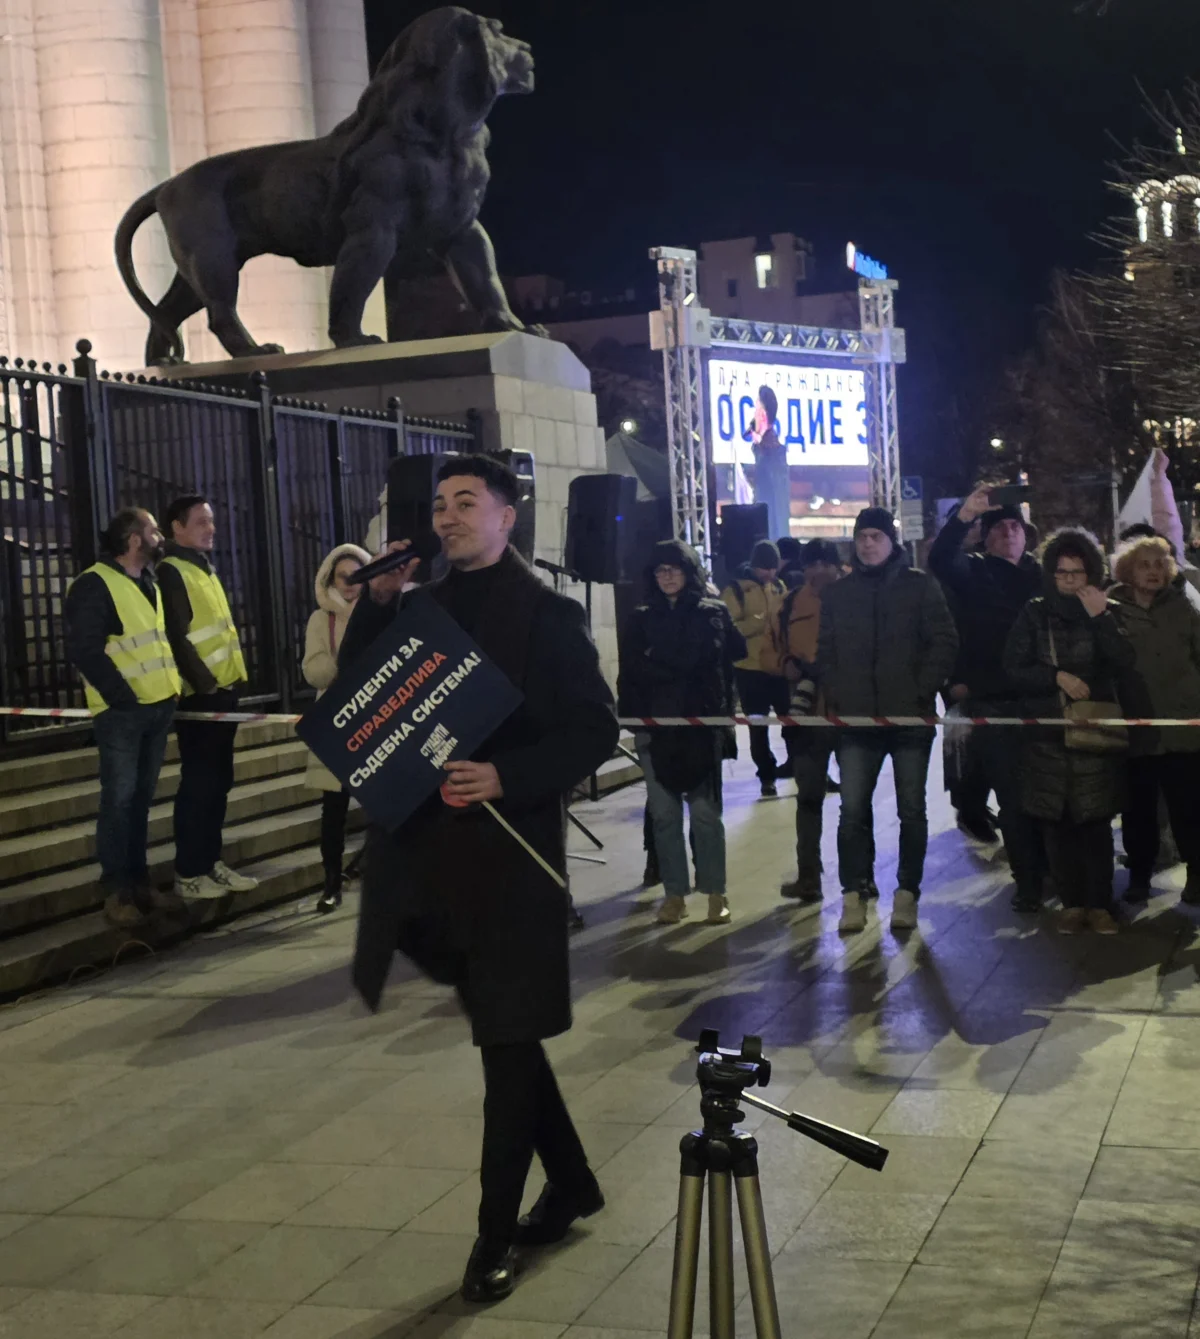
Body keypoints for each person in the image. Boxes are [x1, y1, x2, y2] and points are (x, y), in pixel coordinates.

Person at [341, 456, 618, 1305]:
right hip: (432, 868)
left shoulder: (549, 613)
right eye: (439, 504)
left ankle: (494, 1235)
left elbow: (594, 729)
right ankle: (570, 1183)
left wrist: (508, 775)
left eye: (467, 502)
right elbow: (358, 700)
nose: (448, 516)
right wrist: (373, 607)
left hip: (512, 864)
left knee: (506, 1044)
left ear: (507, 516)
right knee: (511, 1035)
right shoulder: (418, 607)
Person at [817, 507, 958, 933]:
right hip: (856, 719)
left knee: (911, 810)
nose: (868, 544)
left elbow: (944, 641)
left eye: (876, 536)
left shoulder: (919, 586)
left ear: (890, 541)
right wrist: (838, 692)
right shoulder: (839, 594)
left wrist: (922, 689)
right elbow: (826, 650)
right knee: (852, 811)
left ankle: (907, 893)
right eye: (862, 537)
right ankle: (854, 892)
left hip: (909, 718)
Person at [1003, 529, 1134, 934]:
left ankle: (1100, 903)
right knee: (1057, 827)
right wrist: (1055, 676)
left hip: (1093, 732)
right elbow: (1014, 667)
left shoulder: (1106, 610)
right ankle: (1072, 903)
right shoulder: (1034, 612)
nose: (1069, 580)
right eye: (1062, 572)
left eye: (1077, 572)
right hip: (1048, 736)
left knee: (1095, 823)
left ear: (1091, 572)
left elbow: (1125, 662)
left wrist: (1101, 619)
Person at [928, 487, 1046, 910]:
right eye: (999, 527)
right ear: (986, 536)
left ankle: (1050, 867)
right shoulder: (974, 571)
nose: (1009, 533)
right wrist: (964, 515)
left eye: (1015, 526)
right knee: (1012, 796)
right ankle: (1028, 881)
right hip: (994, 700)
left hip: (1044, 699)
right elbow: (941, 559)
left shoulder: (1043, 575)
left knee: (1046, 790)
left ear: (1026, 534)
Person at [65, 509, 183, 926]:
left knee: (139, 801)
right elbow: (85, 649)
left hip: (157, 704)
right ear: (134, 540)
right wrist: (122, 697)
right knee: (118, 800)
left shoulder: (147, 581)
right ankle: (117, 890)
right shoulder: (94, 584)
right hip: (123, 712)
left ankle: (140, 884)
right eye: (153, 531)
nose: (159, 536)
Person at [619, 539, 746, 926]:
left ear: (689, 572)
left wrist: (659, 659)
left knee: (706, 815)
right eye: (660, 570)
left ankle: (716, 892)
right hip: (656, 730)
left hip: (702, 729)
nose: (667, 576)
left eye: (674, 568)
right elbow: (633, 672)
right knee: (665, 816)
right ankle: (674, 895)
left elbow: (726, 660)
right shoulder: (641, 618)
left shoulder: (712, 612)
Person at [159, 495, 259, 900]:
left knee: (219, 782)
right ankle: (189, 871)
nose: (211, 528)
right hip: (201, 698)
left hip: (223, 692)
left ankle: (210, 862)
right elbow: (178, 635)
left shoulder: (202, 567)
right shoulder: (172, 570)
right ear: (177, 527)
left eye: (212, 521)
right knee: (200, 784)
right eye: (201, 521)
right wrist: (205, 685)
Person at [1110, 536, 1200, 905]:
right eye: (1145, 564)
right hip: (1136, 729)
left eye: (1160, 564)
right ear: (1128, 571)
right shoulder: (1112, 611)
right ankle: (1139, 875)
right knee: (1138, 810)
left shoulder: (1183, 607)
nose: (1154, 571)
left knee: (1189, 807)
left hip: (1183, 726)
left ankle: (1197, 873)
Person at [765, 540, 843, 903]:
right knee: (808, 799)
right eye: (812, 564)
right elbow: (768, 650)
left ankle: (860, 878)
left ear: (838, 566)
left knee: (856, 804)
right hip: (806, 716)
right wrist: (786, 665)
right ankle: (809, 877)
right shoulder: (790, 603)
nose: (819, 571)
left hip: (852, 713)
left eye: (826, 564)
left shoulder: (857, 598)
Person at [302, 543, 373, 912]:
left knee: (383, 803)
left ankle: (377, 873)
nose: (350, 584)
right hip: (337, 721)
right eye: (343, 577)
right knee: (333, 808)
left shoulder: (378, 613)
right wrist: (344, 659)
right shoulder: (321, 619)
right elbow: (313, 672)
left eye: (357, 576)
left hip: (377, 719)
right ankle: (331, 881)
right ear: (330, 578)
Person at [722, 540, 789, 797]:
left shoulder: (779, 586)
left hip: (778, 668)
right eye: (764, 568)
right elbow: (729, 630)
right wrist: (760, 622)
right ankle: (767, 776)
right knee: (758, 727)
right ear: (754, 565)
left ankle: (801, 766)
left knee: (793, 722)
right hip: (749, 669)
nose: (769, 573)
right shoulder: (735, 590)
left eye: (773, 568)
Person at [750, 385, 791, 541]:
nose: (754, 415)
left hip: (772, 532)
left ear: (762, 414)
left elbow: (774, 497)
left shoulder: (773, 451)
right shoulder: (763, 448)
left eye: (756, 410)